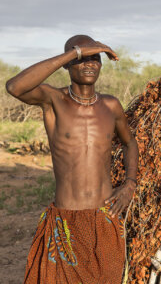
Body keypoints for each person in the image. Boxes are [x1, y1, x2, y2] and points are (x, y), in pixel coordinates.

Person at [5, 35, 139, 283]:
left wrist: (130, 183)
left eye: (95, 59)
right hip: (66, 221)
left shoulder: (110, 105)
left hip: (105, 218)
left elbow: (130, 142)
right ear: (68, 64)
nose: (90, 64)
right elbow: (14, 87)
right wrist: (74, 52)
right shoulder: (53, 100)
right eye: (82, 59)